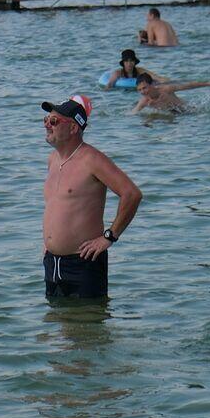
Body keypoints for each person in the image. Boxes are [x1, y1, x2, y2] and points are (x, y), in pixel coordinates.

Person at [40, 95, 142, 299]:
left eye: (54, 121)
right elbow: (57, 206)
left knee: (90, 319)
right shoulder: (53, 159)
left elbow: (131, 194)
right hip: (52, 262)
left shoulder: (92, 160)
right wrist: (49, 243)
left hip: (84, 262)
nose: (47, 125)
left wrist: (109, 237)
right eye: (46, 120)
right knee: (54, 317)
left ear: (73, 128)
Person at [131, 74, 210, 114]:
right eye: (139, 90)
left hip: (187, 112)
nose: (142, 92)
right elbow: (133, 113)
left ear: (152, 85)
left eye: (144, 88)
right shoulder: (145, 101)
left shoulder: (166, 89)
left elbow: (188, 86)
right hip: (172, 116)